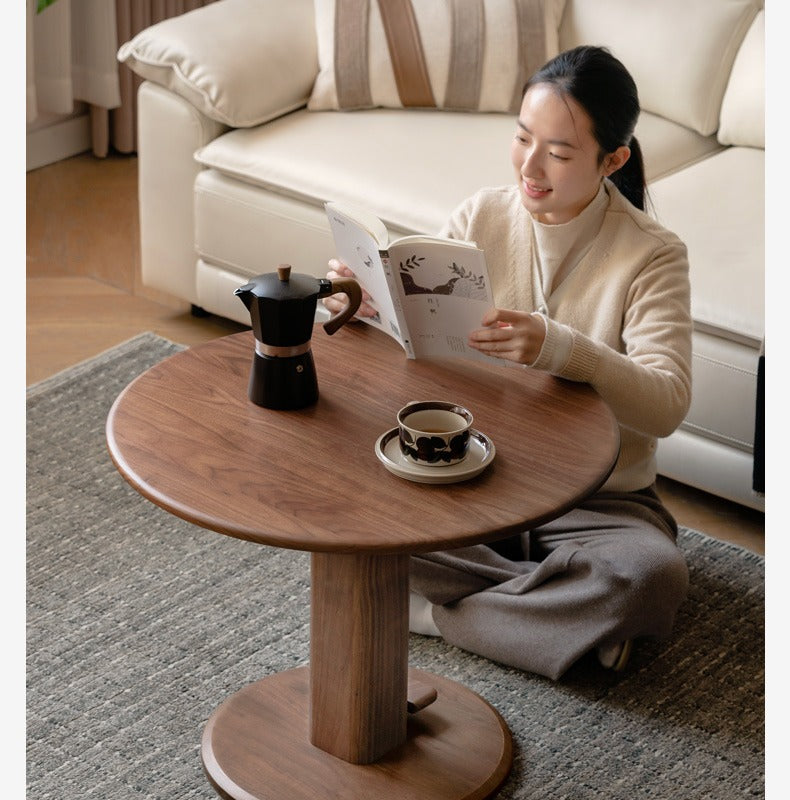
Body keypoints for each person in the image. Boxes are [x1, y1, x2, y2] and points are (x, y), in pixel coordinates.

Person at [324, 45, 692, 680]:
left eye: (560, 151)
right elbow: (426, 353)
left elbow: (666, 403)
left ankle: (433, 614)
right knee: (340, 502)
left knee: (650, 579)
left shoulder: (653, 256)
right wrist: (375, 311)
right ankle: (556, 616)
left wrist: (560, 348)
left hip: (601, 504)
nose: (531, 164)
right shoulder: (482, 216)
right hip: (476, 475)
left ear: (614, 159)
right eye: (523, 138)